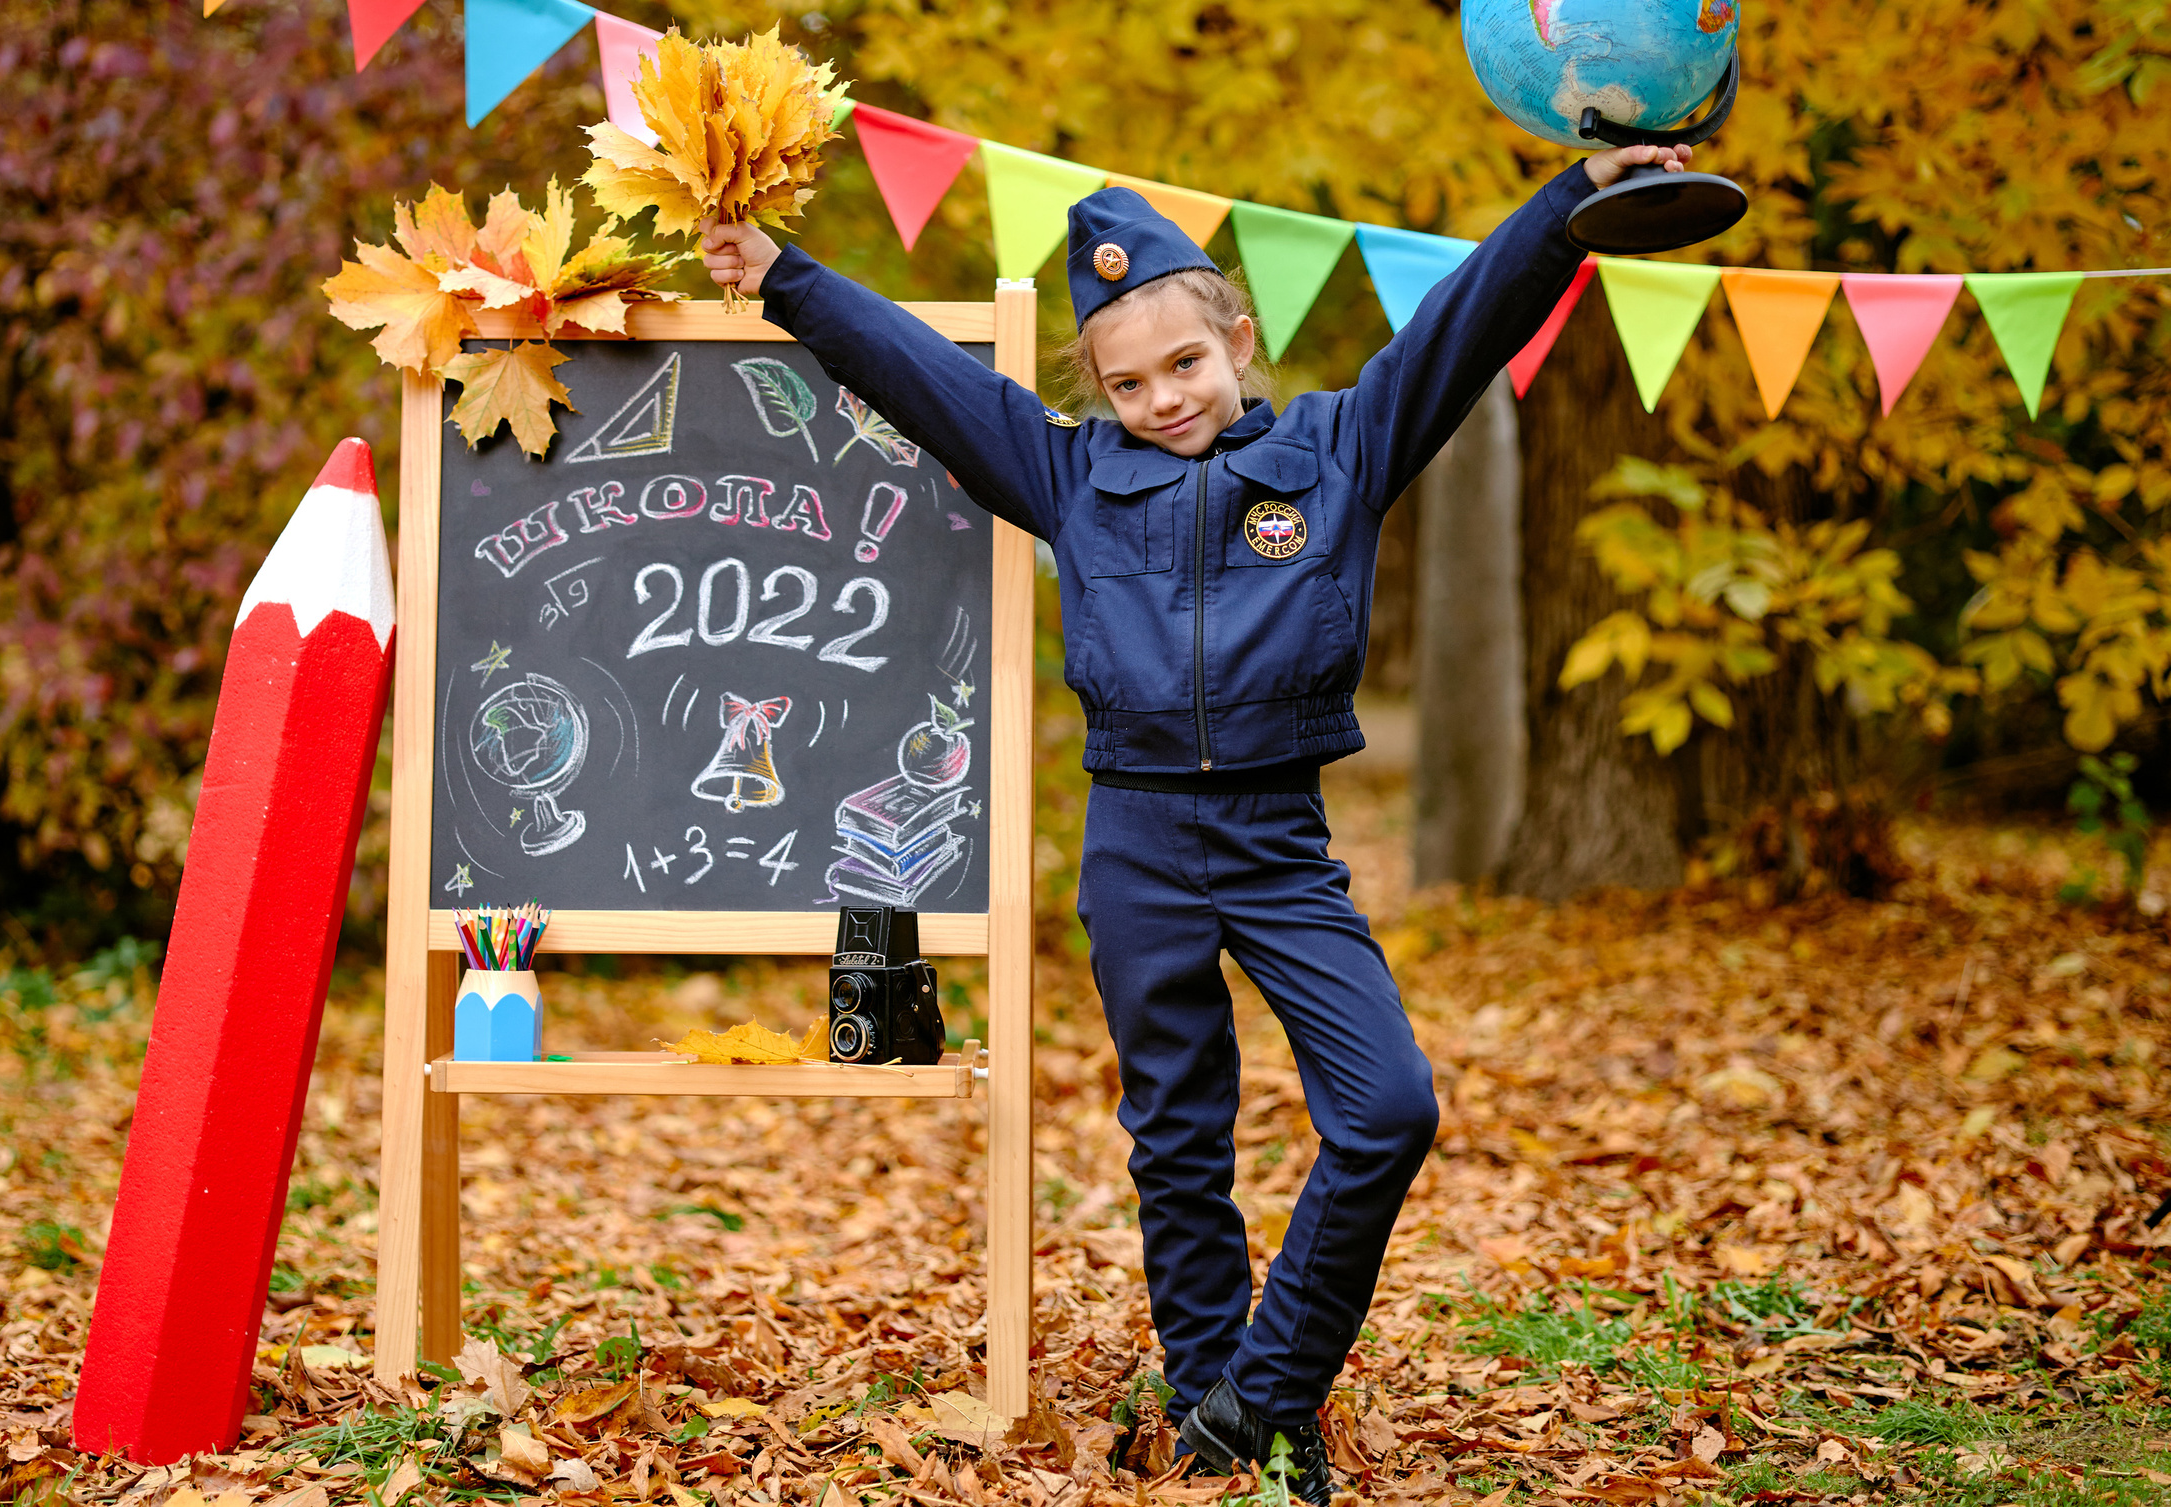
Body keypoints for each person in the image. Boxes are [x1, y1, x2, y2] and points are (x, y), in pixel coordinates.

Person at [702, 142, 1688, 1503]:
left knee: (1389, 1107)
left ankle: (1264, 1390)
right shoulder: (1065, 482)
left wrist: (1573, 203)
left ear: (1235, 339)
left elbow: (1472, 317)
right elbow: (923, 382)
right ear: (1095, 393)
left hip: (1281, 844)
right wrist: (786, 282)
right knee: (1177, 1134)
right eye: (1127, 383)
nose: (1163, 400)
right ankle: (1219, 1414)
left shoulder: (1340, 447)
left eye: (1185, 366)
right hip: (1140, 845)